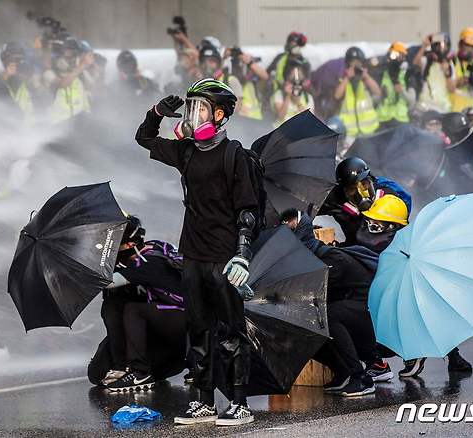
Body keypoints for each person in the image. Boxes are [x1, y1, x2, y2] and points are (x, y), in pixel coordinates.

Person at [136, 79, 259, 426]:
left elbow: (247, 211)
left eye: (200, 107)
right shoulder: (186, 151)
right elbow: (144, 139)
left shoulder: (235, 155)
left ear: (219, 114)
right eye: (191, 107)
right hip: (192, 254)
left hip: (224, 256)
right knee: (198, 329)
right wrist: (156, 113)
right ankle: (204, 401)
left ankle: (239, 403)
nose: (193, 114)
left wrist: (242, 255)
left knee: (232, 331)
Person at [282, 196, 408, 396]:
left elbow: (315, 293)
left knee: (327, 316)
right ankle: (343, 372)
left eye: (291, 228)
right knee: (306, 322)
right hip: (361, 316)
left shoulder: (331, 258)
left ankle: (361, 378)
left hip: (376, 325)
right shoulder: (316, 257)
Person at [96, 216, 188, 392]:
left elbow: (105, 282)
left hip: (184, 323)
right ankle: (122, 367)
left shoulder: (145, 262)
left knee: (133, 310)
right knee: (96, 374)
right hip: (171, 324)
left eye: (116, 246)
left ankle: (140, 373)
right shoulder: (154, 245)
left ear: (130, 245)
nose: (113, 251)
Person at [317, 157, 411, 246]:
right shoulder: (337, 199)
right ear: (344, 190)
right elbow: (310, 207)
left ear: (371, 180)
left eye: (364, 184)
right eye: (352, 188)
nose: (360, 191)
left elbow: (376, 244)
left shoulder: (389, 197)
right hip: (354, 246)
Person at [334, 46, 382, 139]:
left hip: (369, 131)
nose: (356, 66)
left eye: (358, 63)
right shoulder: (343, 80)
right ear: (348, 65)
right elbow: (337, 96)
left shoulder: (365, 80)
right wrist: (347, 77)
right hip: (350, 133)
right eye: (353, 63)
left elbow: (377, 92)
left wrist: (366, 77)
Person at [48, 37, 93, 124]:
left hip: (78, 125)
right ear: (59, 54)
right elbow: (63, 84)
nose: (71, 57)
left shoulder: (79, 77)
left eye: (75, 53)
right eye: (68, 52)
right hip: (59, 125)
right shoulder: (50, 73)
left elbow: (93, 90)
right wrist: (82, 65)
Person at [375, 42, 416, 130]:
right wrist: (380, 94)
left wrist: (402, 92)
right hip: (383, 121)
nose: (396, 58)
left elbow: (412, 101)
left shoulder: (408, 74)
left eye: (399, 55)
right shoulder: (381, 73)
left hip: (401, 121)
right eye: (393, 55)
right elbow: (374, 99)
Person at [413, 32, 455, 113]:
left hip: (443, 108)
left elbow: (452, 89)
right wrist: (424, 46)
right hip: (426, 107)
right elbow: (415, 63)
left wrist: (447, 73)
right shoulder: (427, 61)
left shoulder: (450, 64)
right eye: (437, 45)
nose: (440, 49)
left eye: (443, 46)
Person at [224, 46, 269, 121]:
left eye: (241, 63)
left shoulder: (250, 79)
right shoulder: (228, 80)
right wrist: (224, 57)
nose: (239, 67)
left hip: (255, 119)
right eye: (236, 64)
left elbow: (265, 76)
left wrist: (249, 62)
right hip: (239, 120)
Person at [271, 58, 314, 126]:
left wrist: (298, 103)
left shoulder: (307, 97)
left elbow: (310, 121)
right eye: (292, 75)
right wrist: (288, 96)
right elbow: (280, 117)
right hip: (282, 132)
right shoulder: (279, 94)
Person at [0, 42, 35, 124]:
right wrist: (4, 77)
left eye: (19, 60)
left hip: (29, 132)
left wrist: (30, 79)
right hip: (5, 131)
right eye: (12, 59)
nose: (16, 63)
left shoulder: (26, 80)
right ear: (4, 60)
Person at [450, 27, 473, 112]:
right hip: (455, 109)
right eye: (467, 45)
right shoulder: (452, 61)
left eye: (472, 47)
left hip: (471, 111)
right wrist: (461, 81)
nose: (470, 49)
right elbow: (449, 85)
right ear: (460, 44)